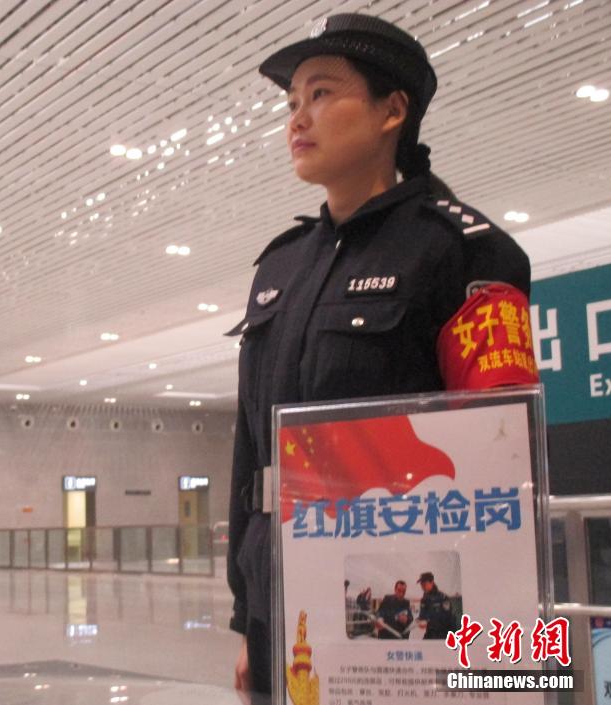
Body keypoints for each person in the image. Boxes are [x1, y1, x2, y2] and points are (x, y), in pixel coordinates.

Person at [227, 13, 538, 697]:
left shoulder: (463, 252)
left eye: (321, 94)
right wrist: (246, 619)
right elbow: (253, 457)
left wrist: (497, 655)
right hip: (283, 605)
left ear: (392, 109)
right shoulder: (279, 268)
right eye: (291, 103)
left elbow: (501, 456)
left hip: (401, 614)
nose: (296, 119)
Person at [417, 572, 458, 640]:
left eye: (424, 584)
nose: (422, 587)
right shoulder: (424, 599)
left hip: (445, 633)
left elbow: (447, 617)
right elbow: (422, 616)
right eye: (421, 584)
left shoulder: (443, 598)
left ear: (432, 582)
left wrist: (428, 621)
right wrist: (419, 621)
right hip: (431, 632)